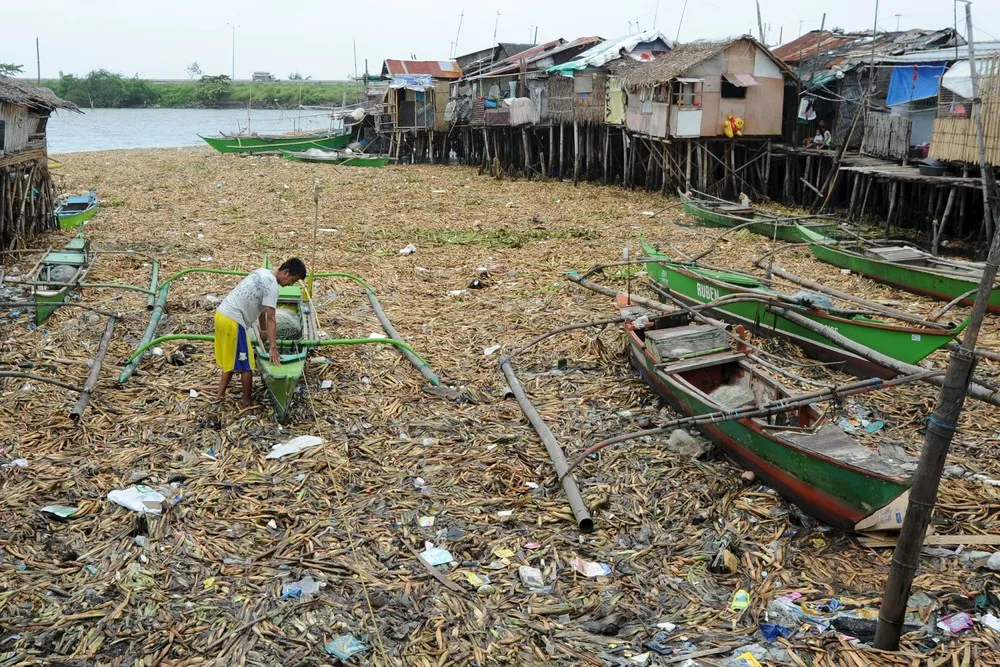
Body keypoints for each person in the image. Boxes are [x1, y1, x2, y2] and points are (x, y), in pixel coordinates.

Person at [214, 258, 307, 407]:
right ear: (286, 272)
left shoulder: (262, 272)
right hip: (233, 320)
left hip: (221, 315)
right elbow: (271, 318)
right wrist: (273, 347)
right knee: (247, 366)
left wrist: (263, 331)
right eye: (292, 280)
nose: (291, 284)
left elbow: (262, 309)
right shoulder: (272, 287)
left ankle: (220, 394)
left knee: (231, 359)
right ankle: (247, 403)